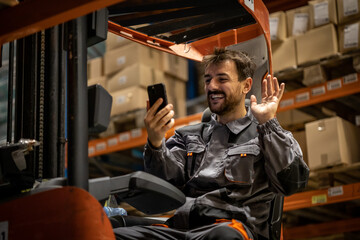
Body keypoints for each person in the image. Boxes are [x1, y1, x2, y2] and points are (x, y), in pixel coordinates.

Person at [114, 48, 309, 240]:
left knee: (223, 236)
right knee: (114, 232)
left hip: (231, 228)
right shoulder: (187, 136)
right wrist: (156, 142)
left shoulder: (266, 135)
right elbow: (164, 183)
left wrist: (268, 122)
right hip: (183, 227)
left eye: (222, 79)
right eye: (208, 80)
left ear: (246, 85)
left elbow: (293, 183)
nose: (212, 86)